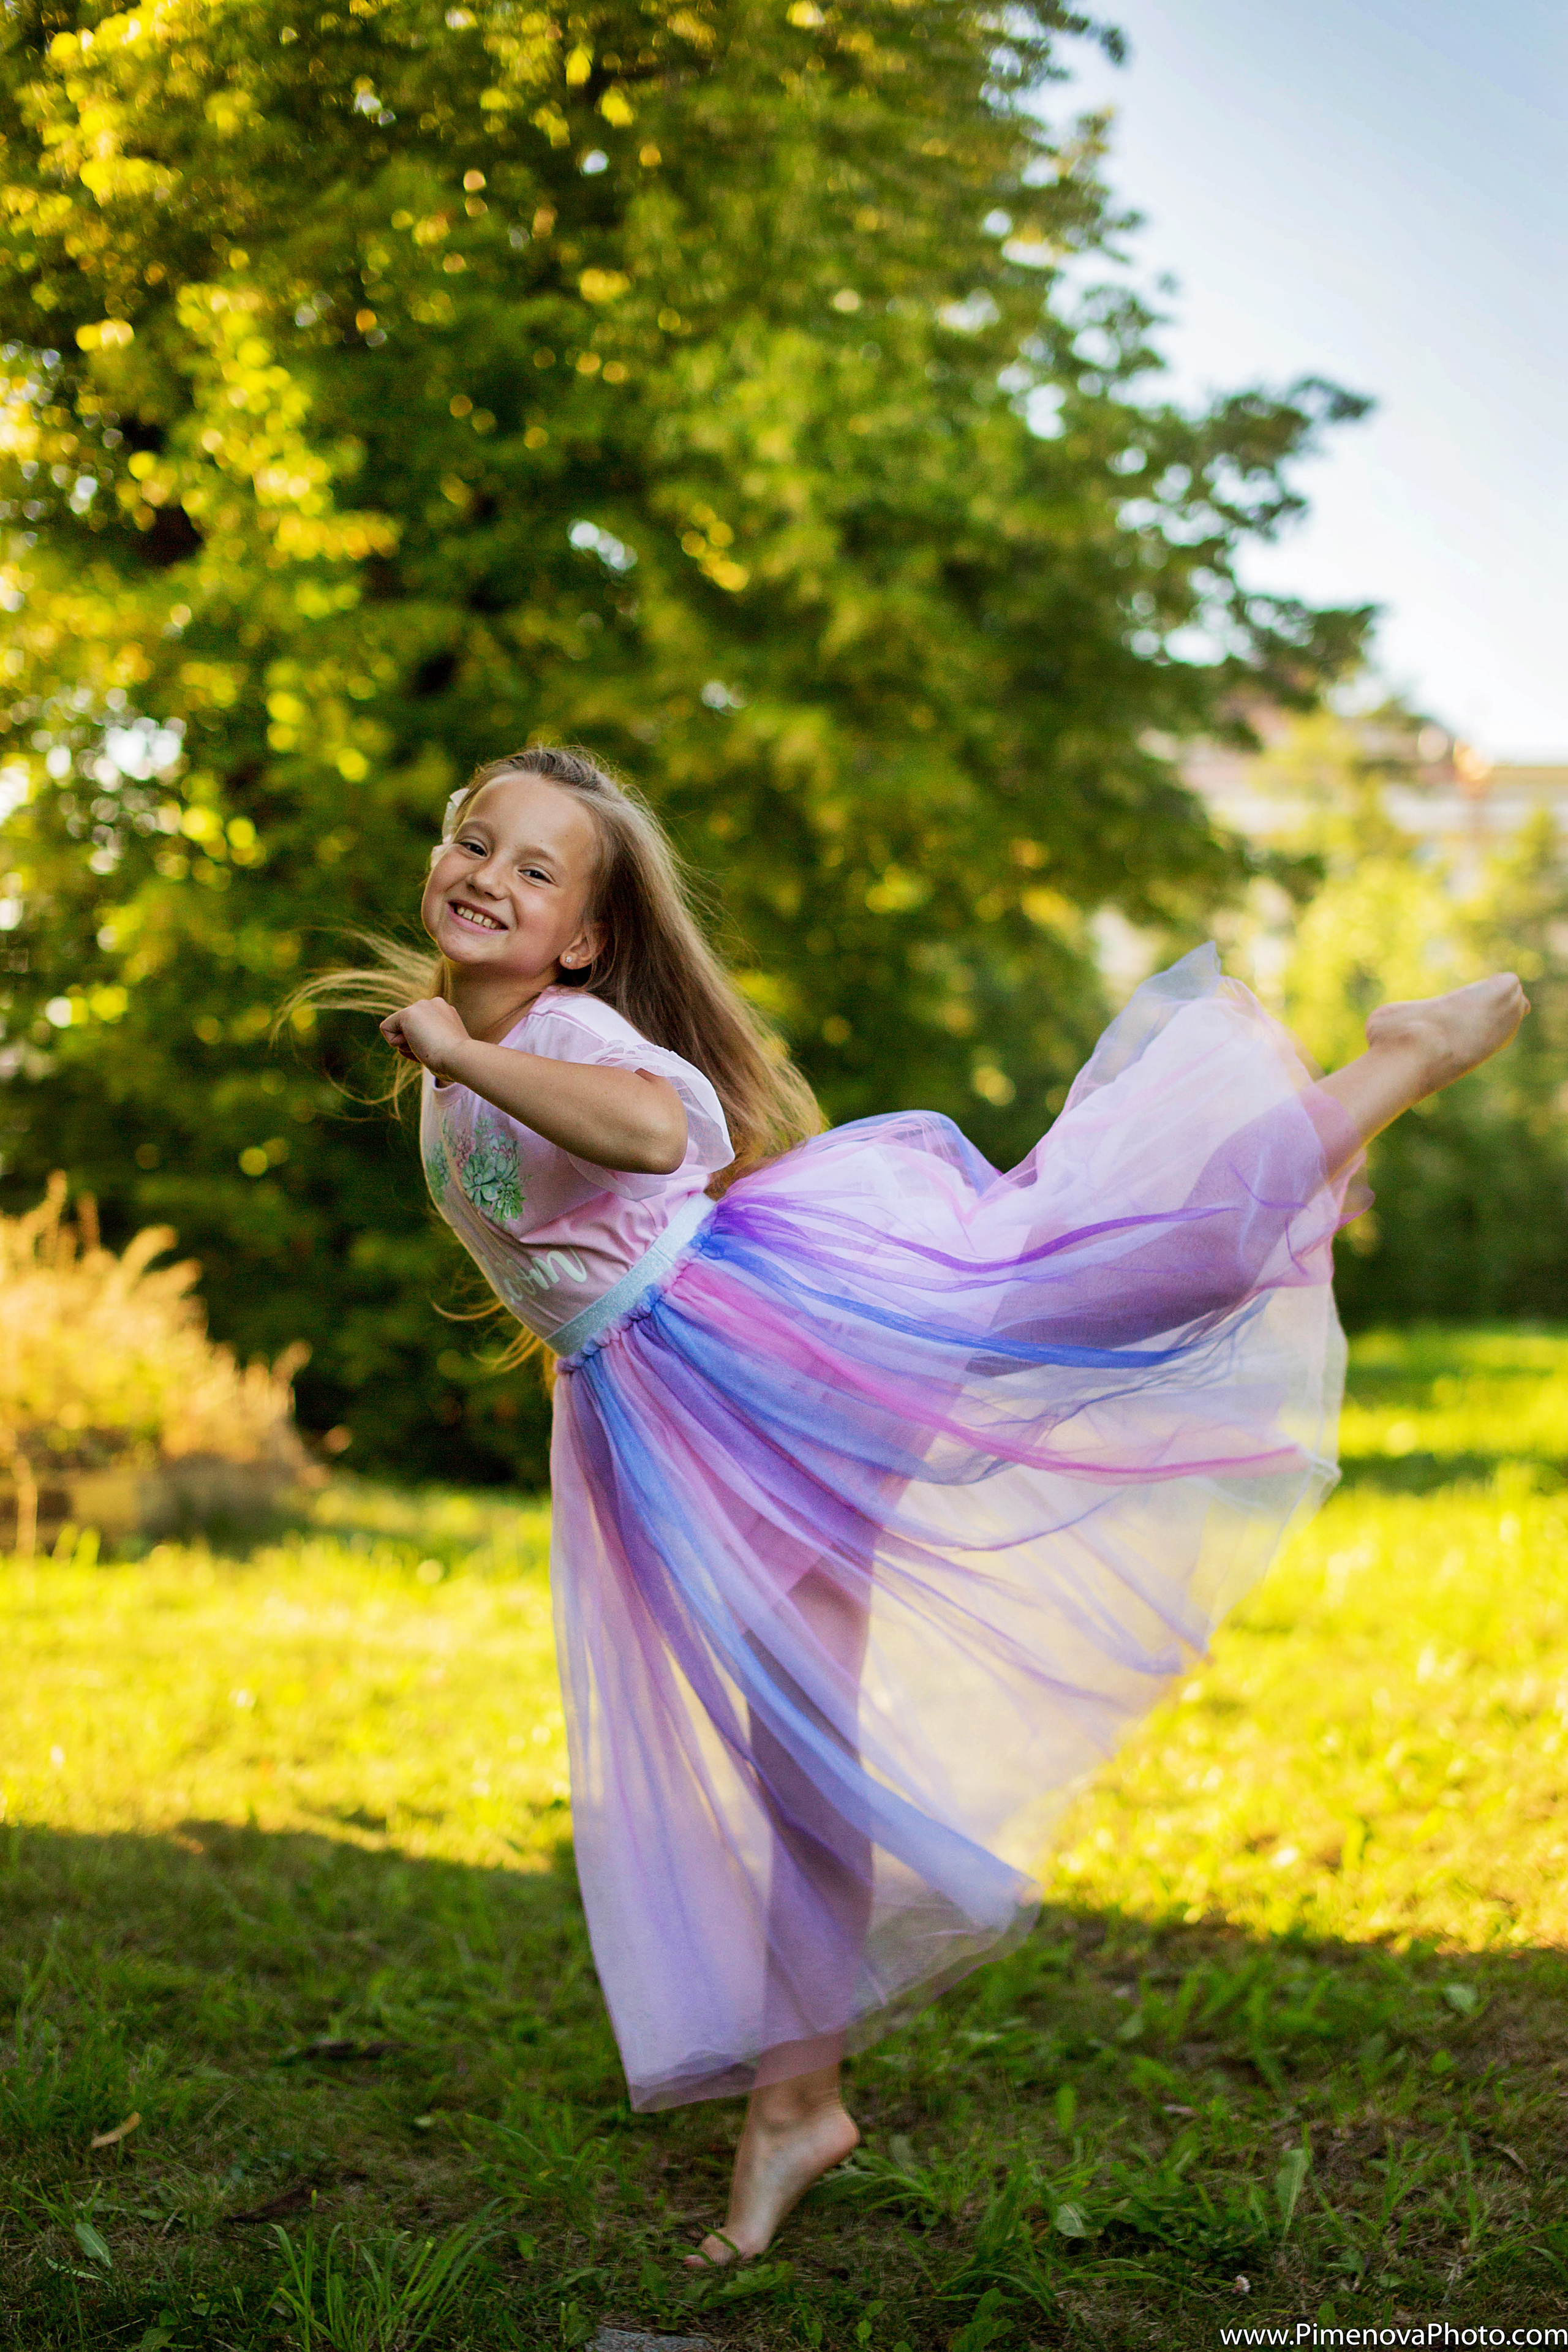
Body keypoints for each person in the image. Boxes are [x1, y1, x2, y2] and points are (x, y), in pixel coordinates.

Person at [300, 743, 1527, 2269]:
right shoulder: (476, 1037)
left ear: (586, 938)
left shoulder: (556, 1031)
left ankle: (1393, 1063)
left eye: (534, 868)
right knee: (799, 1756)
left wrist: (460, 1052)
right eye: (472, 841)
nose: (487, 873)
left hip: (768, 1346)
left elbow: (647, 1136)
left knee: (1087, 1283)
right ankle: (793, 2109)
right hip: (673, 1417)